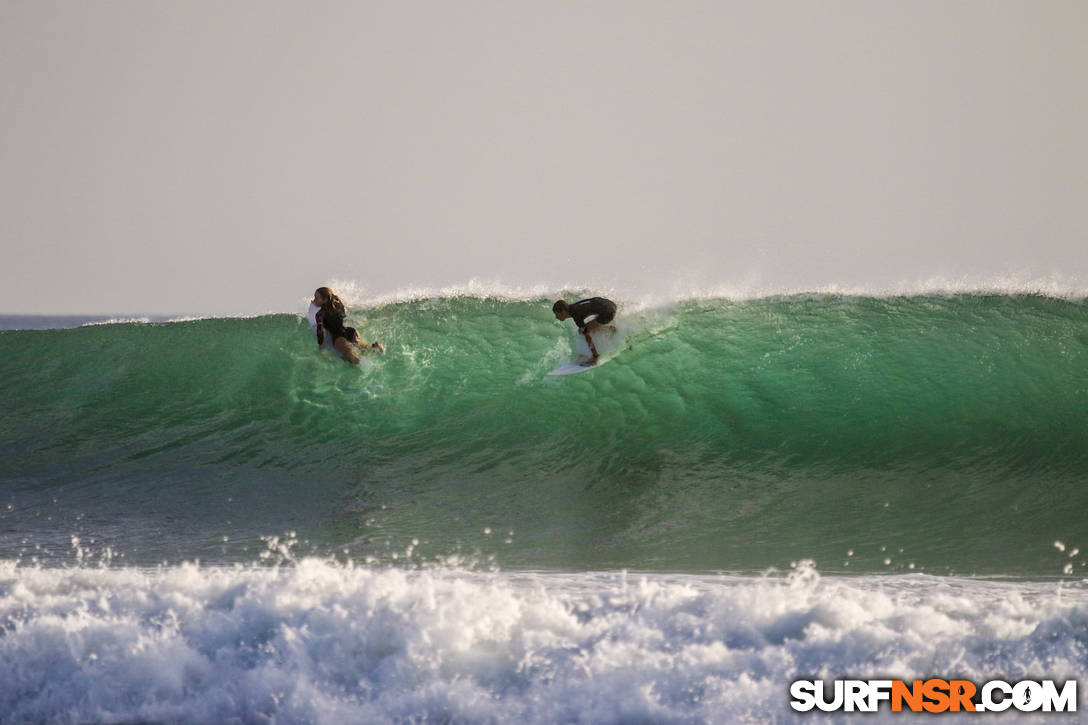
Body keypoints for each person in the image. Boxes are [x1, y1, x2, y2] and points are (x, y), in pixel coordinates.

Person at [311, 287, 383, 364]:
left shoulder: (320, 314)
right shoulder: (338, 305)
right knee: (361, 348)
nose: (314, 300)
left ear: (324, 300)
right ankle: (375, 347)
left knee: (347, 355)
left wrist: (320, 347)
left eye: (316, 298)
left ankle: (362, 364)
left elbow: (320, 332)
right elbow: (343, 315)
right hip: (350, 331)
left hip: (338, 336)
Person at [552, 296, 617, 365]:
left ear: (563, 312)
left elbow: (587, 336)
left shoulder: (576, 315)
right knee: (583, 330)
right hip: (611, 305)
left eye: (557, 314)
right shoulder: (573, 307)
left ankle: (595, 355)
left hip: (608, 312)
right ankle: (610, 328)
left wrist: (595, 356)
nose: (556, 317)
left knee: (584, 332)